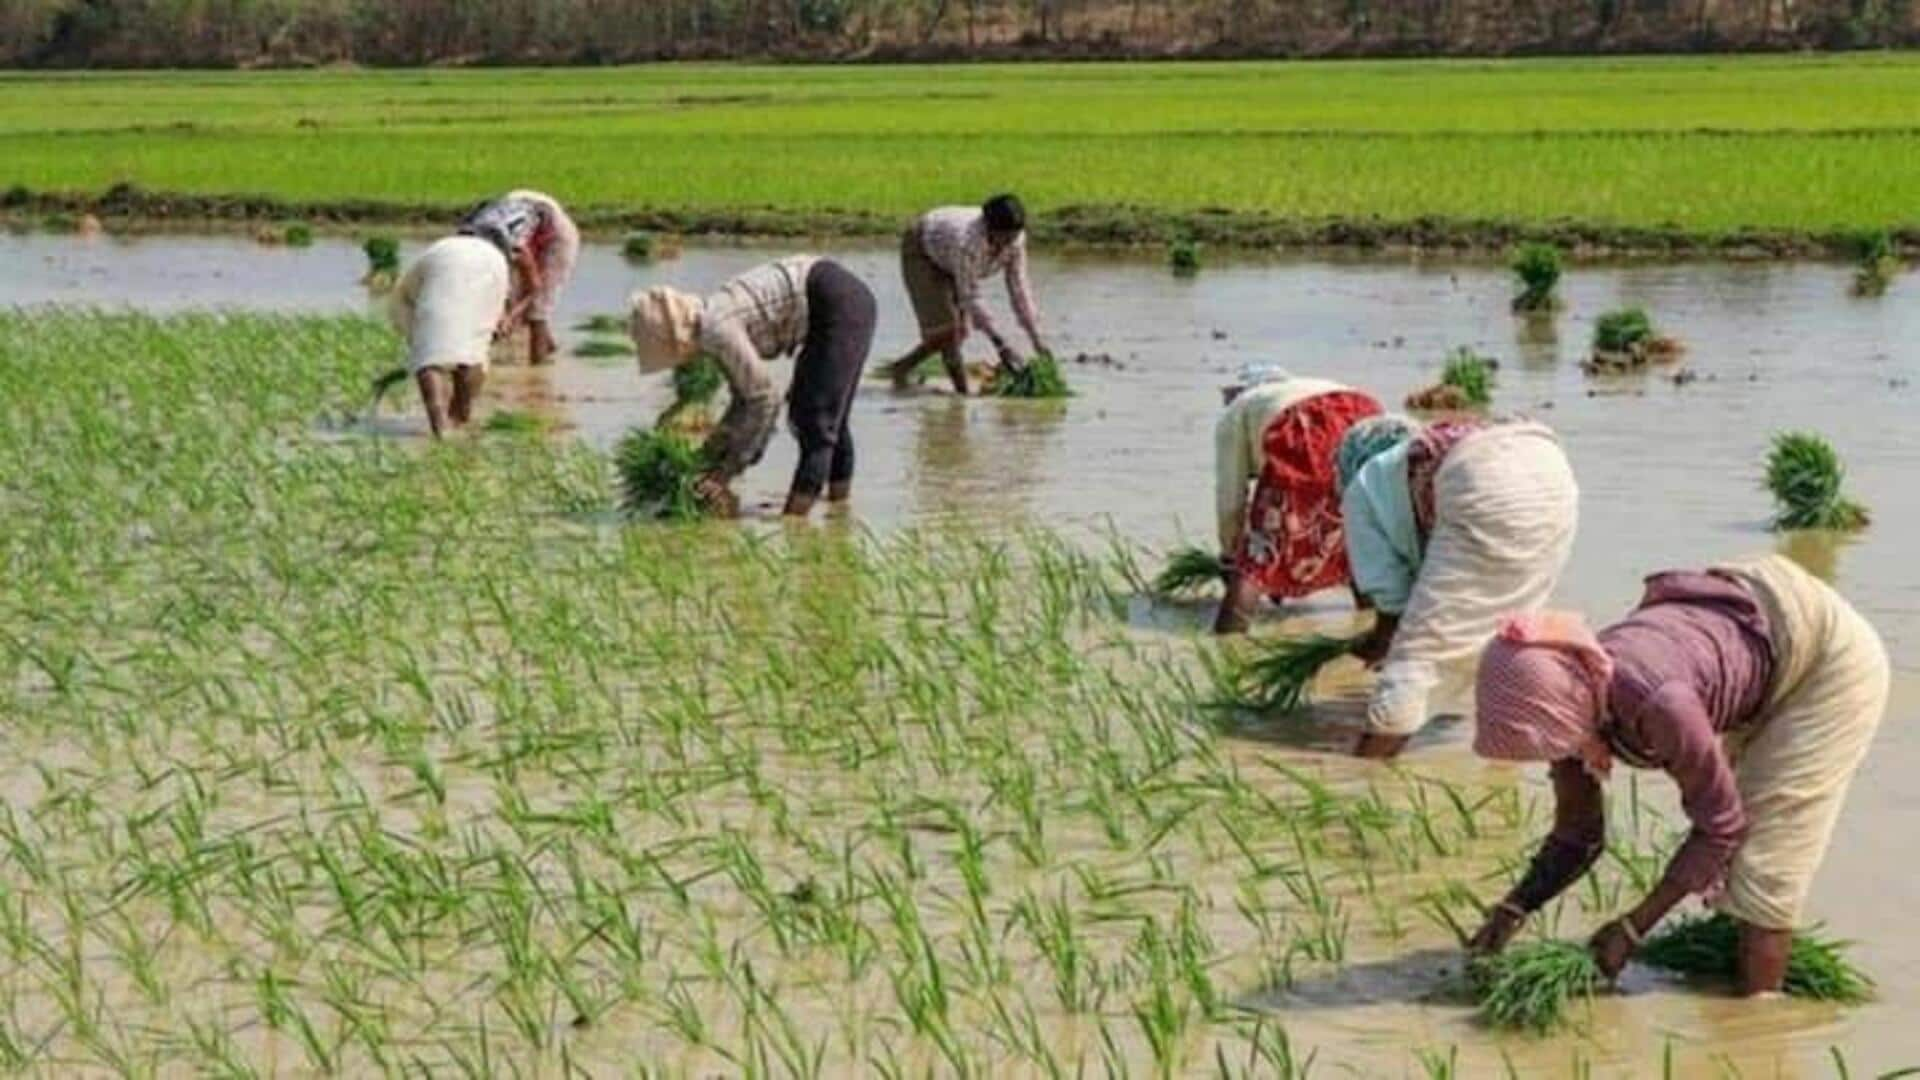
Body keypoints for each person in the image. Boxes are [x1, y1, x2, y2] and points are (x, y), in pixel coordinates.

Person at [1468, 555, 1888, 995]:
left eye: (1550, 743)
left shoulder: (1658, 704)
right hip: (1755, 615)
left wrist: (1633, 929)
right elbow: (1579, 834)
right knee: (1741, 855)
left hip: (1825, 657)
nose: (1554, 757)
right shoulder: (1571, 698)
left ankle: (1759, 1028)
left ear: (1564, 707)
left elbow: (1721, 826)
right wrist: (1514, 908)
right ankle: (1727, 984)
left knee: (1766, 864)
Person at [1337, 415, 1579, 758]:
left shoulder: (1361, 489)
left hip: (1482, 477)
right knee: (1512, 631)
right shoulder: (1409, 462)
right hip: (1550, 467)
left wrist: (1378, 643)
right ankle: (1506, 763)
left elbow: (1392, 603)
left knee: (1417, 654)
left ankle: (1364, 773)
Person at [628, 256, 877, 517]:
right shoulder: (712, 322)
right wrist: (710, 456)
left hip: (839, 303)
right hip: (838, 299)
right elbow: (743, 401)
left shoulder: (716, 331)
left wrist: (728, 470)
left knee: (815, 419)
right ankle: (838, 514)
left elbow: (765, 400)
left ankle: (793, 523)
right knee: (828, 418)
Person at [1212, 365, 1383, 634]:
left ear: (1240, 391)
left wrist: (1230, 556)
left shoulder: (1237, 411)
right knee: (1355, 538)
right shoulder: (1306, 386)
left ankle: (1227, 642)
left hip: (1305, 425)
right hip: (1366, 416)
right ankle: (1377, 628)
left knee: (1258, 556)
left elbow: (1230, 497)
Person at [886, 194, 1048, 395]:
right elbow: (970, 295)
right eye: (1004, 237)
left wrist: (1038, 340)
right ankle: (962, 395)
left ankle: (901, 368)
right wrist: (1001, 344)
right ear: (990, 228)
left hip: (948, 254)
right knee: (947, 330)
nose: (1009, 243)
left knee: (959, 332)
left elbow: (1019, 288)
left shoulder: (1016, 240)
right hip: (923, 252)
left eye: (1013, 237)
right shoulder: (968, 242)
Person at [388, 234, 510, 438]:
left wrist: (424, 347)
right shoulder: (496, 258)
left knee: (429, 360)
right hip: (488, 272)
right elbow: (499, 310)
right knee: (473, 354)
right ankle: (460, 417)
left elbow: (405, 295)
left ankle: (441, 427)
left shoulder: (439, 250)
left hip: (439, 274)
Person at [458, 190, 579, 366]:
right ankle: (548, 346)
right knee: (513, 296)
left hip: (556, 233)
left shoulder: (515, 248)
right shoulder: (464, 244)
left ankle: (538, 369)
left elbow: (535, 287)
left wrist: (511, 316)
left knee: (538, 310)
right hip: (521, 210)